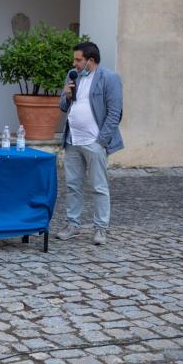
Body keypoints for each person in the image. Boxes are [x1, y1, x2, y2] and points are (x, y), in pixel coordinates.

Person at [56, 42, 124, 245]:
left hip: (94, 142)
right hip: (72, 140)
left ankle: (101, 228)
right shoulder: (72, 75)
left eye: (78, 60)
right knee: (72, 185)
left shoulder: (109, 78)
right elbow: (62, 106)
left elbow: (115, 113)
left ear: (90, 61)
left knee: (99, 186)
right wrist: (67, 95)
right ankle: (72, 224)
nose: (74, 63)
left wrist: (101, 141)